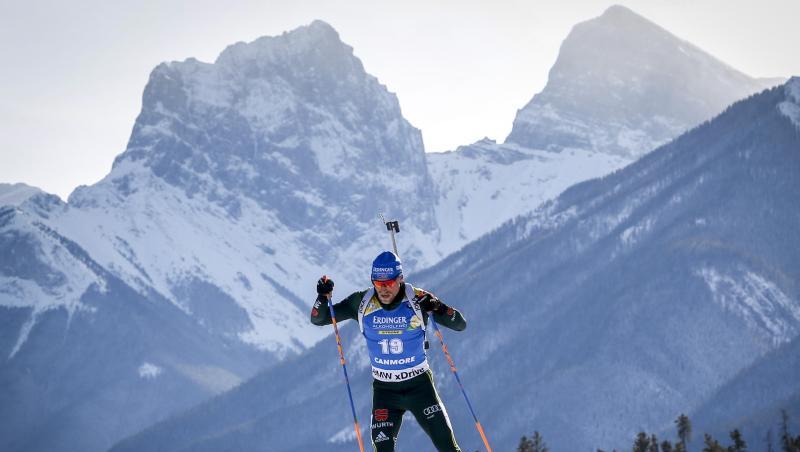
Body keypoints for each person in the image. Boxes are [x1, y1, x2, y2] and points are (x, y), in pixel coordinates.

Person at [311, 250, 466, 452]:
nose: (383, 289)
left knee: (448, 447)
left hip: (420, 386)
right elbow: (320, 318)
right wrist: (322, 297)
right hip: (385, 391)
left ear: (400, 279)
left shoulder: (417, 299)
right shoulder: (362, 302)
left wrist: (439, 308)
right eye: (378, 283)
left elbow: (459, 324)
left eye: (390, 283)